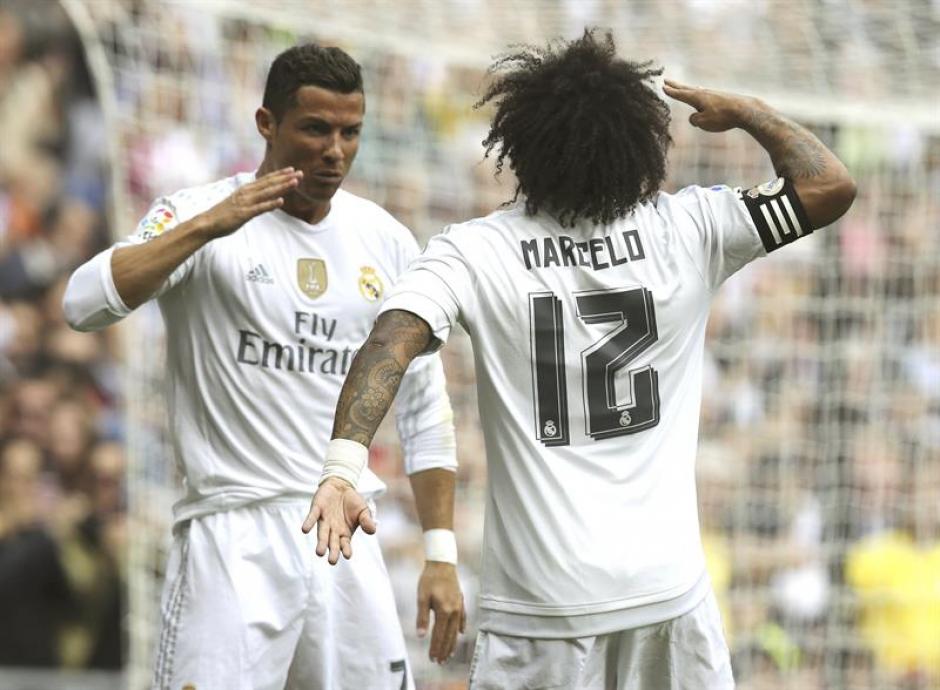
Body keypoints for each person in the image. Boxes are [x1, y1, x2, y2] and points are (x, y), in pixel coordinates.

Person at [307, 30, 856, 689]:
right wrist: (749, 113)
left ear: (523, 145)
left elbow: (391, 339)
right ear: (638, 140)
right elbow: (829, 185)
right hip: (667, 597)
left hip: (543, 608)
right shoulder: (690, 228)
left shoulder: (478, 250)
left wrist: (342, 466)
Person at [62, 43, 463, 690]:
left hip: (345, 538)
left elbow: (423, 406)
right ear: (266, 124)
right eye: (315, 129)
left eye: (350, 132)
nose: (335, 150)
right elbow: (81, 305)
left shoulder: (385, 239)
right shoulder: (199, 213)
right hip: (231, 537)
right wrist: (206, 228)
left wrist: (441, 553)